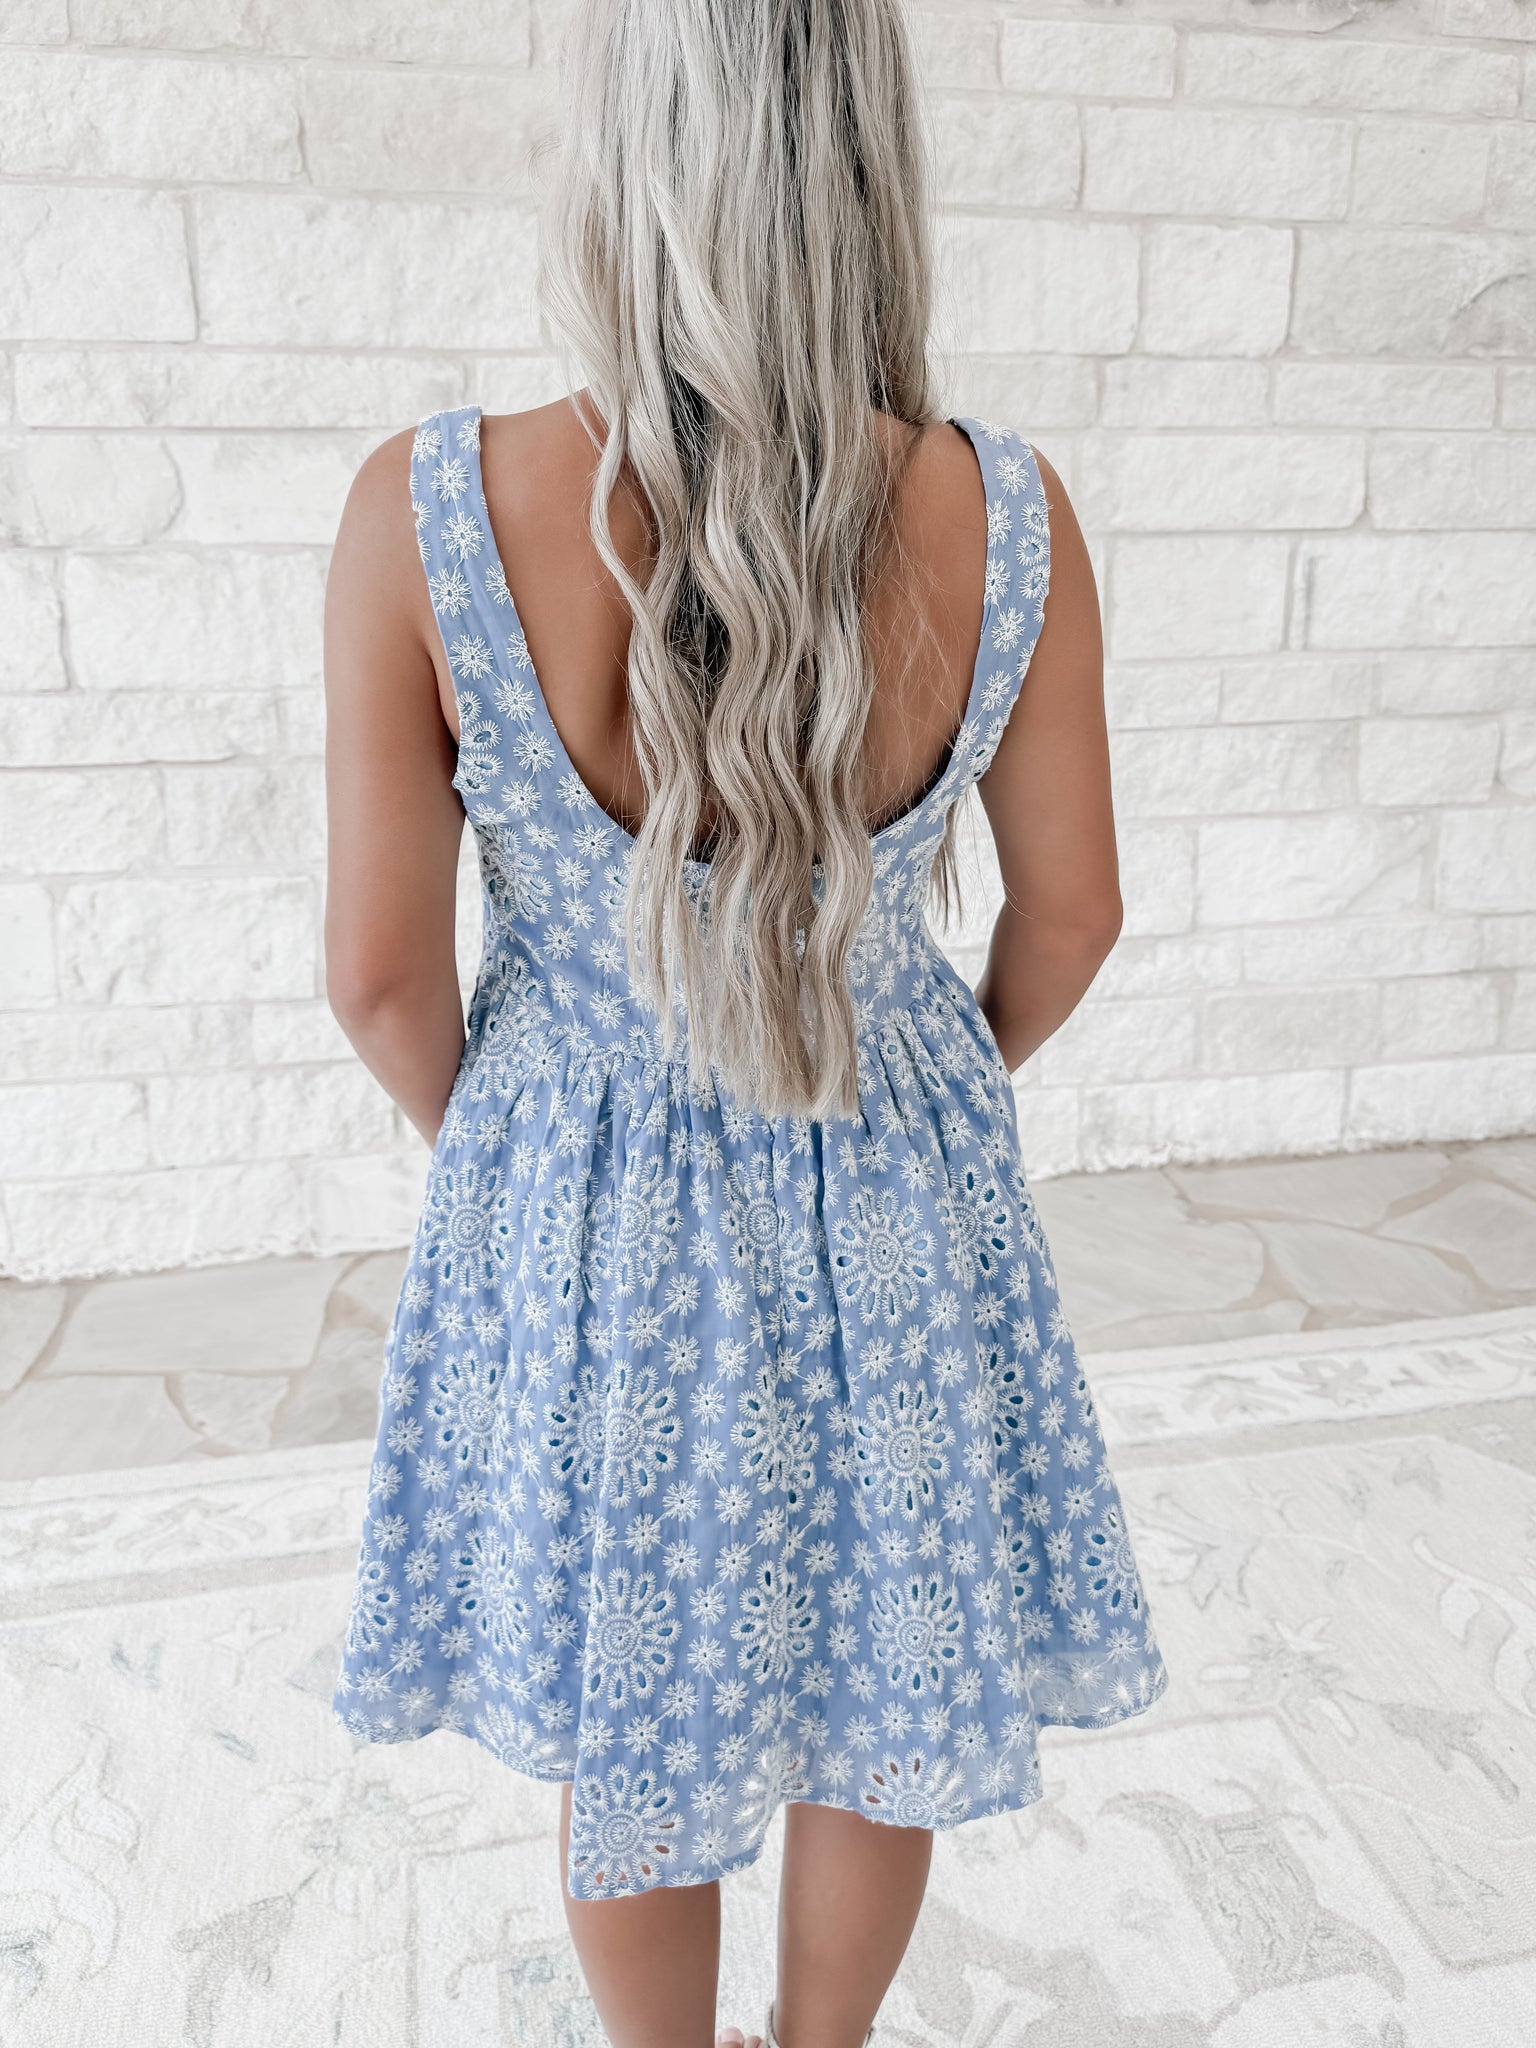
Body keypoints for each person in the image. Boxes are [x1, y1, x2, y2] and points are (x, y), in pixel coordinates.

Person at [323, 3, 1169, 2043]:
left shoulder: (431, 510)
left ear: (618, 149)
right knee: (883, 1661)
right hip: (884, 1174)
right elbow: (1073, 914)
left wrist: (531, 1149)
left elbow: (376, 972)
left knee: (640, 1678)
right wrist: (917, 1086)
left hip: (598, 1220)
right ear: (869, 155)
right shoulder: (1007, 510)